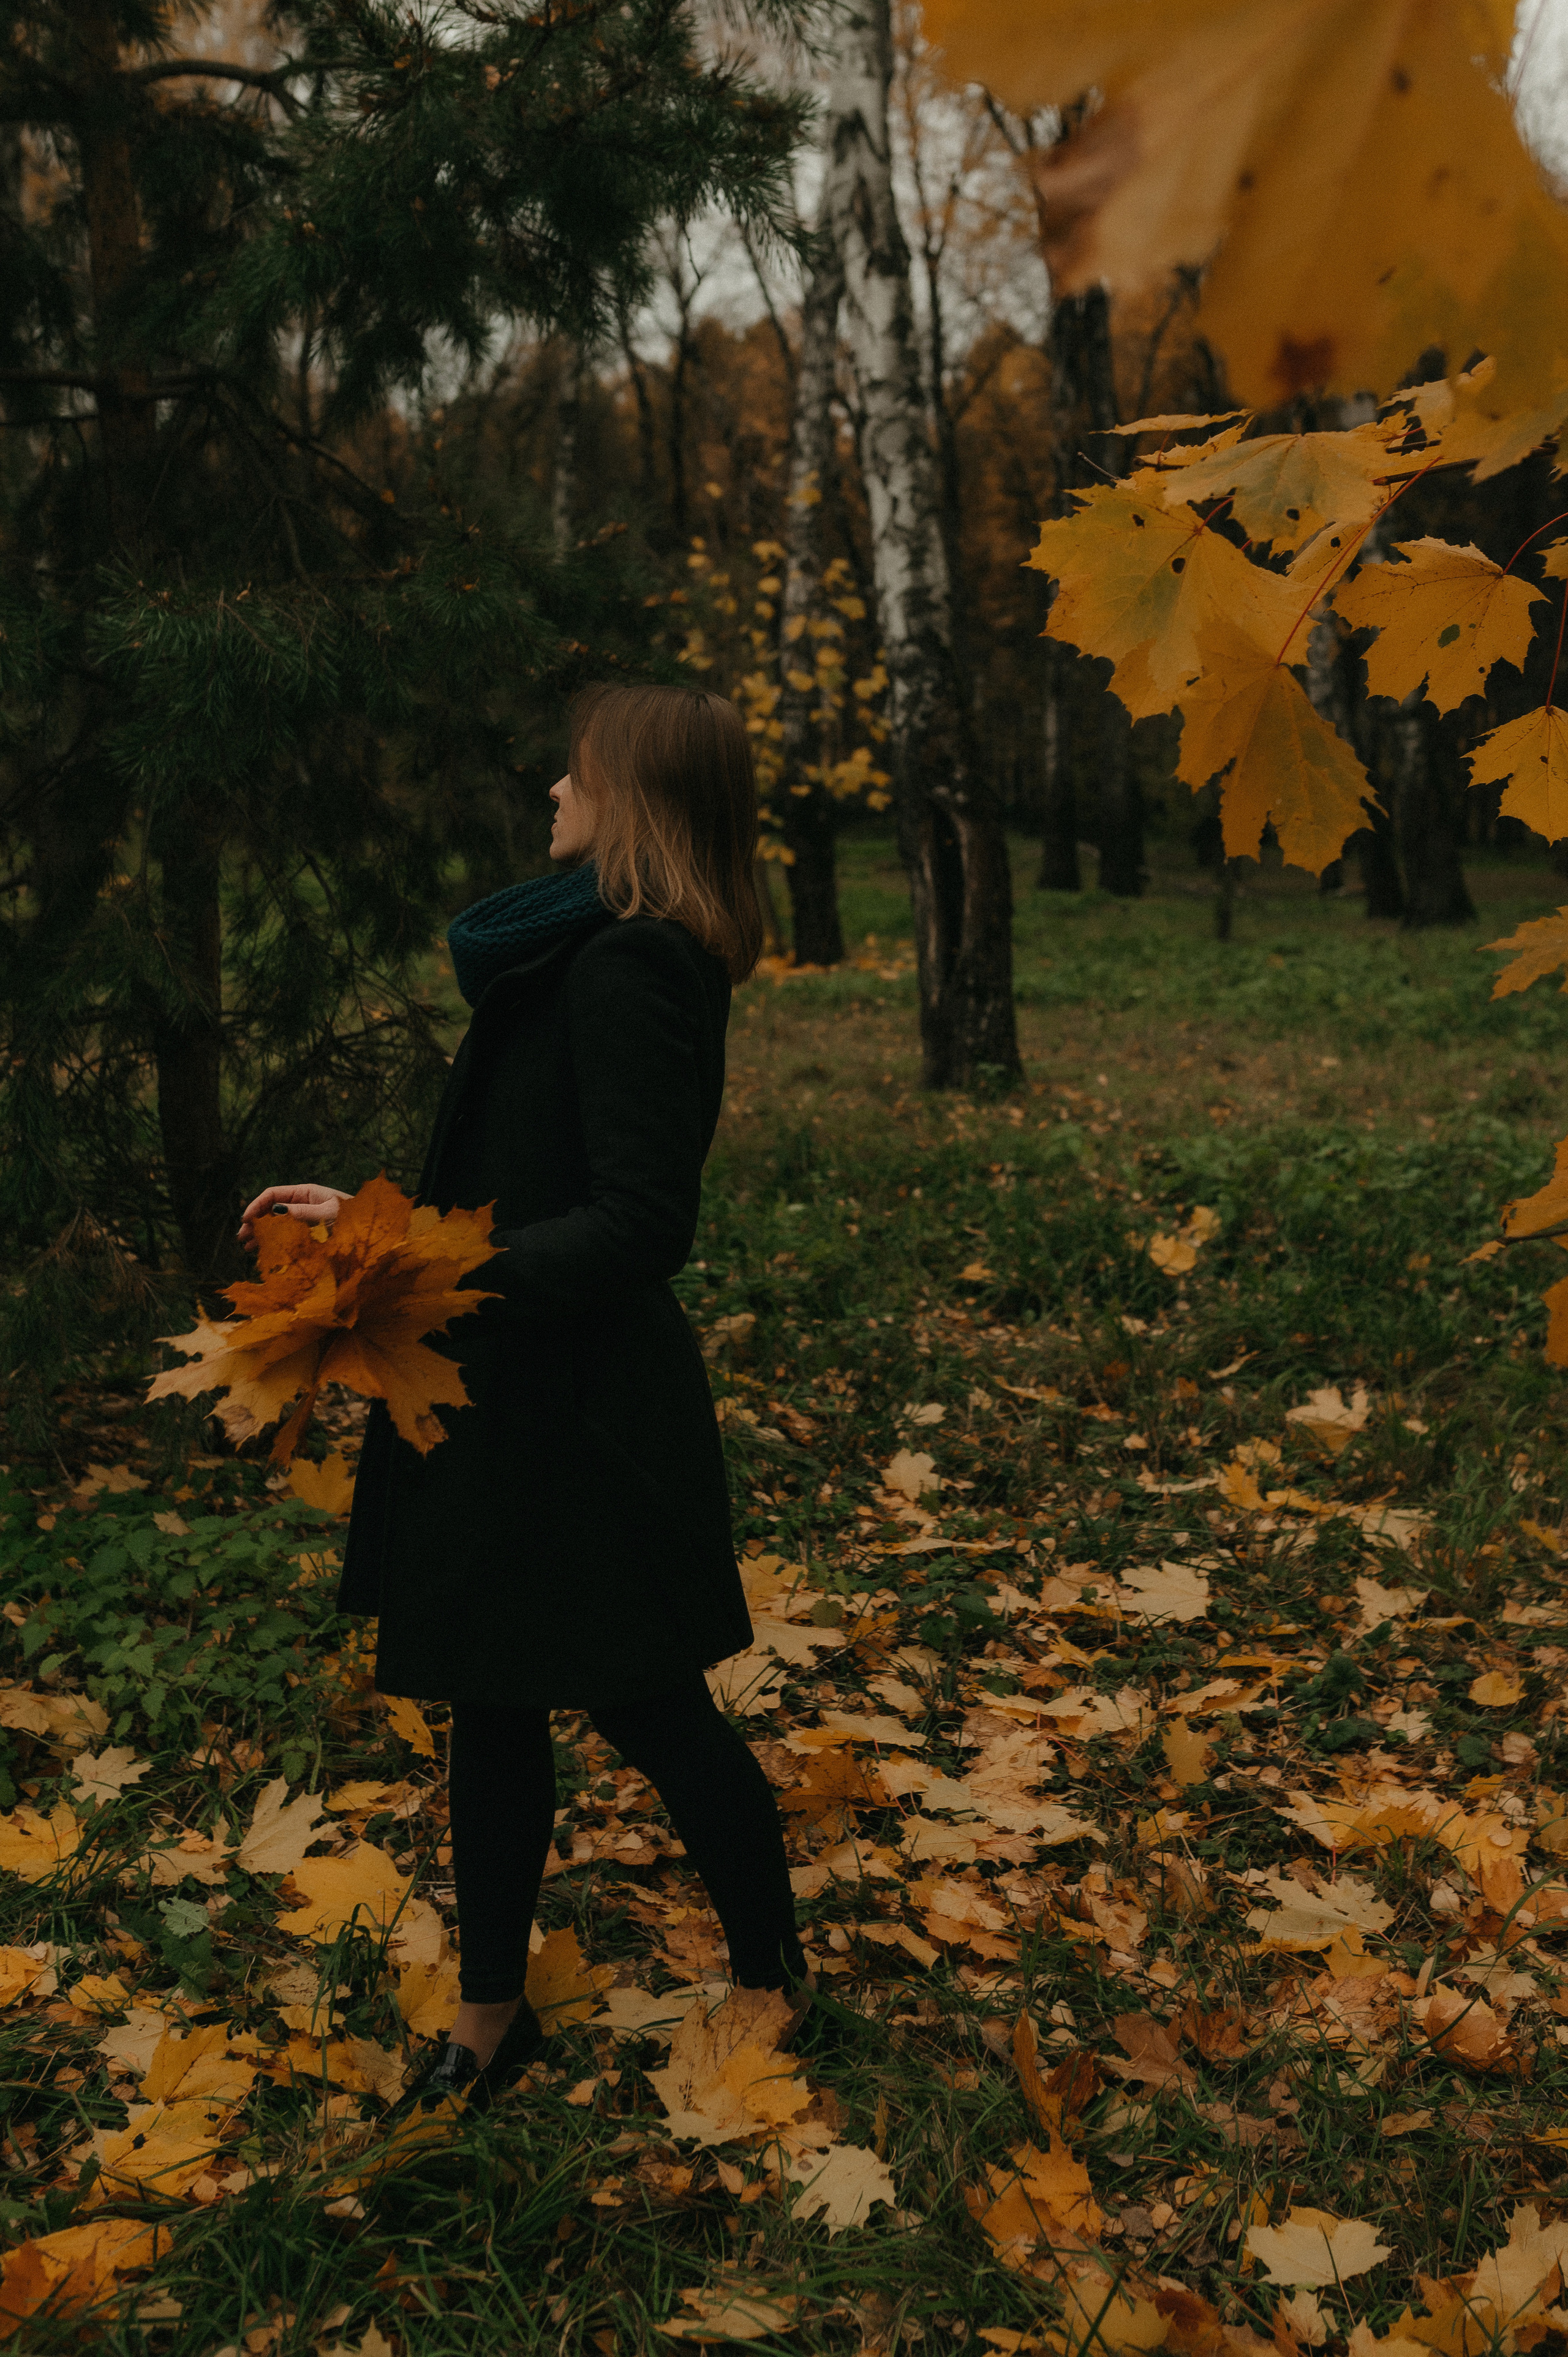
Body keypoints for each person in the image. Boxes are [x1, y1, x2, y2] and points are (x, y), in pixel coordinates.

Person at [238, 683, 809, 2106]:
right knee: (491, 1704)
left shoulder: (632, 965)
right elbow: (528, 1179)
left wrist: (423, 1263)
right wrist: (368, 1228)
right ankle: (490, 2021)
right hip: (504, 1397)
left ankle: (773, 1981)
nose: (551, 793)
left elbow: (636, 1223)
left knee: (649, 1708)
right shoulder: (576, 951)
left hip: (582, 1417)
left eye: (574, 775)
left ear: (631, 803)